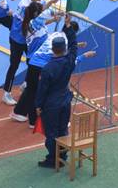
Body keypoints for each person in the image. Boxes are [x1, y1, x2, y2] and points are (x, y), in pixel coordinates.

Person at [35, 16, 94, 168]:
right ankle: (62, 155)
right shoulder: (69, 61)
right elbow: (74, 45)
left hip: (51, 105)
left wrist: (38, 105)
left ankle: (53, 159)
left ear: (53, 48)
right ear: (64, 49)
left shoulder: (48, 68)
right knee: (62, 129)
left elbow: (42, 90)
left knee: (51, 133)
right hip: (65, 101)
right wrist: (68, 27)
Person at [2, 0, 59, 106]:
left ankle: (26, 84)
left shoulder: (39, 0)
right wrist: (50, 12)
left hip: (30, 40)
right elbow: (36, 21)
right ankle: (6, 93)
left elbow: (42, 14)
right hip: (18, 39)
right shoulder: (24, 6)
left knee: (33, 64)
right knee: (14, 65)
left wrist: (53, 13)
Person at [11, 2, 61, 126]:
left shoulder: (35, 24)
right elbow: (44, 16)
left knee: (31, 89)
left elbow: (43, 21)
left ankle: (19, 112)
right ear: (35, 14)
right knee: (35, 91)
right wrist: (56, 12)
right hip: (36, 62)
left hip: (38, 61)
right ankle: (33, 120)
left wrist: (54, 19)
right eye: (40, 12)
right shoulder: (32, 25)